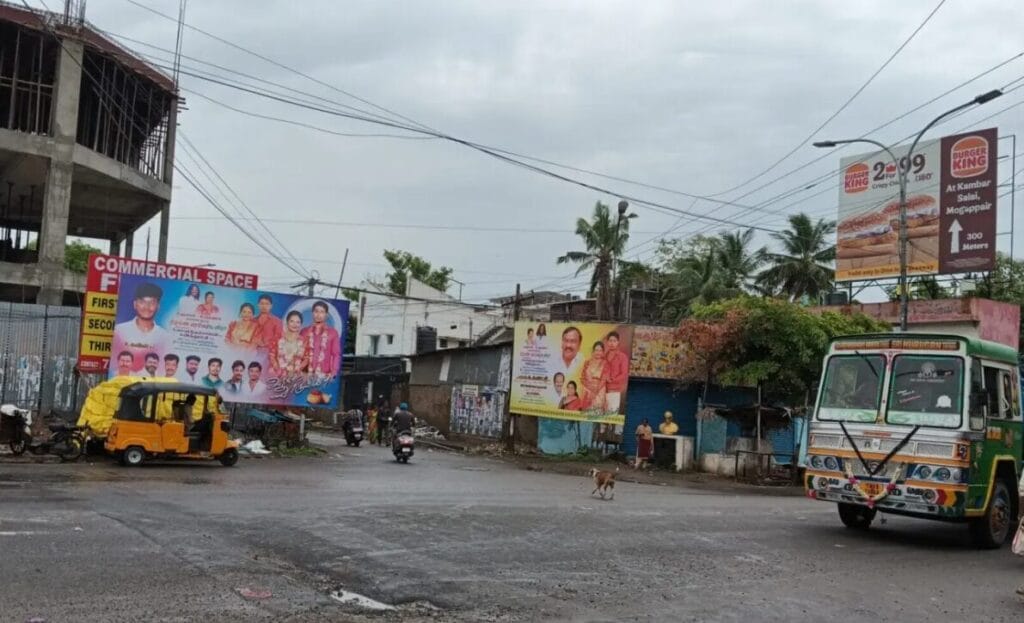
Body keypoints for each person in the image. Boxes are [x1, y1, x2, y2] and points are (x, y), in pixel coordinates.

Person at [113, 282, 170, 372]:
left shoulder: (165, 337)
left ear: (158, 306)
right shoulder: (119, 331)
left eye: (152, 303)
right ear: (135, 304)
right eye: (142, 302)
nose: (147, 307)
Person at [301, 300, 341, 379]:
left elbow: (336, 354)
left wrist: (334, 372)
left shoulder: (332, 333)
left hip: (324, 376)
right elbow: (299, 352)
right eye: (316, 311)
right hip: (305, 375)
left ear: (326, 315)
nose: (318, 315)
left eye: (322, 312)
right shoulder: (304, 331)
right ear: (312, 313)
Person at [269, 311, 309, 377]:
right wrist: (278, 369)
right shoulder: (277, 338)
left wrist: (298, 368)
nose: (295, 324)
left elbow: (306, 358)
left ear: (301, 324)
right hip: (277, 374)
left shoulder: (304, 341)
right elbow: (271, 355)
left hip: (295, 376)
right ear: (287, 322)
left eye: (298, 322)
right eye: (292, 321)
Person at [603, 331, 629, 413]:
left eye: (614, 341)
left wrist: (611, 379)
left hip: (614, 390)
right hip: (601, 390)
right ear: (607, 342)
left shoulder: (622, 357)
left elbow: (624, 374)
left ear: (618, 342)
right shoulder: (603, 356)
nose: (612, 343)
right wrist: (604, 377)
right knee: (599, 416)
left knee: (611, 415)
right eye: (610, 341)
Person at [579, 341, 608, 411]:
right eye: (596, 350)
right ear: (593, 351)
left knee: (596, 412)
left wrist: (594, 392)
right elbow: (582, 378)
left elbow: (603, 380)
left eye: (600, 350)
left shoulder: (605, 363)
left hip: (599, 391)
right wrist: (589, 388)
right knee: (585, 411)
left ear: (603, 352)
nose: (598, 352)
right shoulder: (587, 362)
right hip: (587, 390)